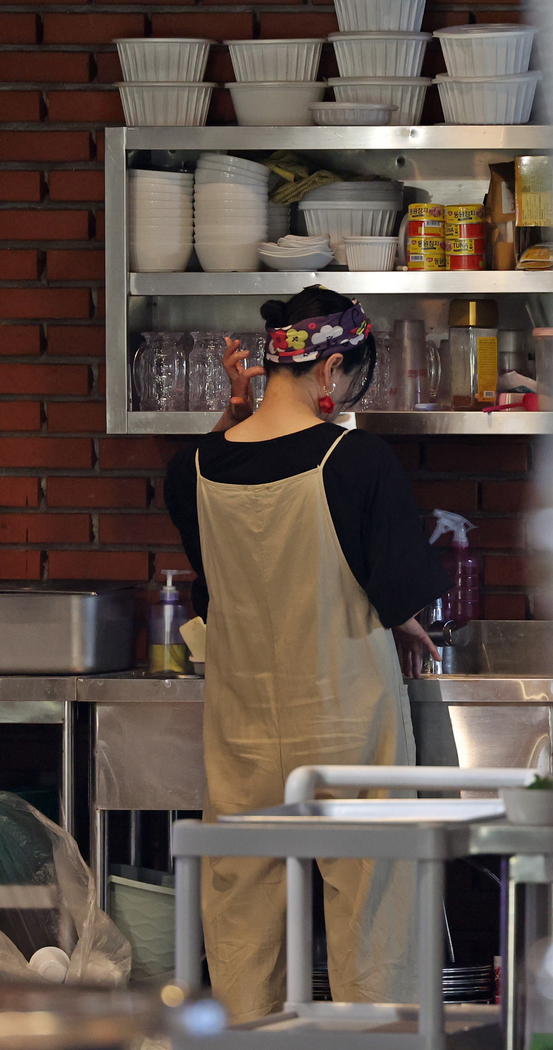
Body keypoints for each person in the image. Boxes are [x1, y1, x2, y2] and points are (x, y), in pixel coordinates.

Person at [164, 285, 449, 1023]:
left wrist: (230, 415)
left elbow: (217, 587)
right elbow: (397, 591)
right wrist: (406, 619)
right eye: (351, 376)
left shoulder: (192, 470)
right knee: (373, 913)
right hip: (348, 729)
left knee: (242, 926)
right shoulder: (360, 460)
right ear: (329, 371)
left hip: (243, 732)